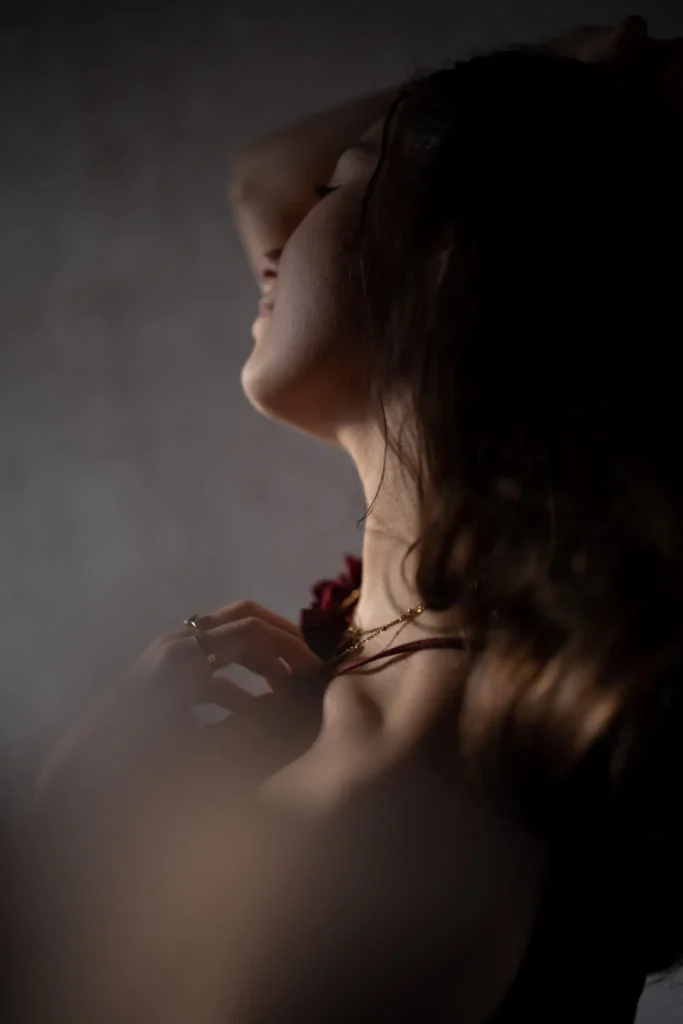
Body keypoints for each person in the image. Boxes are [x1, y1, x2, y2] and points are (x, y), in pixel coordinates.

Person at [30, 15, 683, 1023]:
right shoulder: (420, 651)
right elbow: (258, 179)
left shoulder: (397, 808)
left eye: (334, 190)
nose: (276, 241)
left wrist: (76, 825)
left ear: (448, 258)